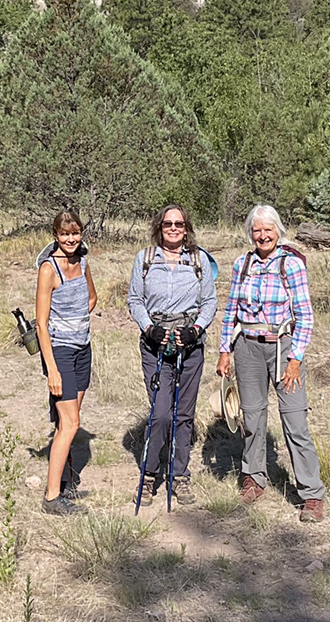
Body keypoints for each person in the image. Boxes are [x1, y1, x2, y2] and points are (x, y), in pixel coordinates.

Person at [217, 204, 326, 522]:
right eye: (256, 230)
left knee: (295, 422)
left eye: (268, 229)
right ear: (250, 233)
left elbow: (305, 316)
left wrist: (296, 360)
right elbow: (231, 309)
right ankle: (253, 478)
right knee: (251, 419)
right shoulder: (243, 263)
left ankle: (311, 494)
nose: (262, 235)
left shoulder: (291, 264)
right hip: (247, 348)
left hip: (284, 349)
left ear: (278, 231)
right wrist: (225, 351)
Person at [127, 204, 217, 506]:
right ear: (159, 227)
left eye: (179, 224)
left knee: (184, 414)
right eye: (168, 224)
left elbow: (210, 302)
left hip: (190, 346)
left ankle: (180, 477)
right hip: (156, 346)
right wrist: (149, 327)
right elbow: (135, 300)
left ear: (187, 227)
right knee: (161, 413)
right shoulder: (145, 259)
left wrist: (196, 328)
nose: (174, 228)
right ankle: (149, 474)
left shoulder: (199, 260)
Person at [36, 209, 98, 516]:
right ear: (55, 235)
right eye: (64, 234)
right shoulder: (49, 269)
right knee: (71, 424)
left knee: (67, 422)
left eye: (75, 233)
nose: (70, 239)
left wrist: (78, 319)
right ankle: (51, 498)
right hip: (60, 352)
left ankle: (64, 482)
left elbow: (91, 297)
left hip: (82, 349)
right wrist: (53, 370)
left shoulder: (83, 261)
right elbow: (41, 324)